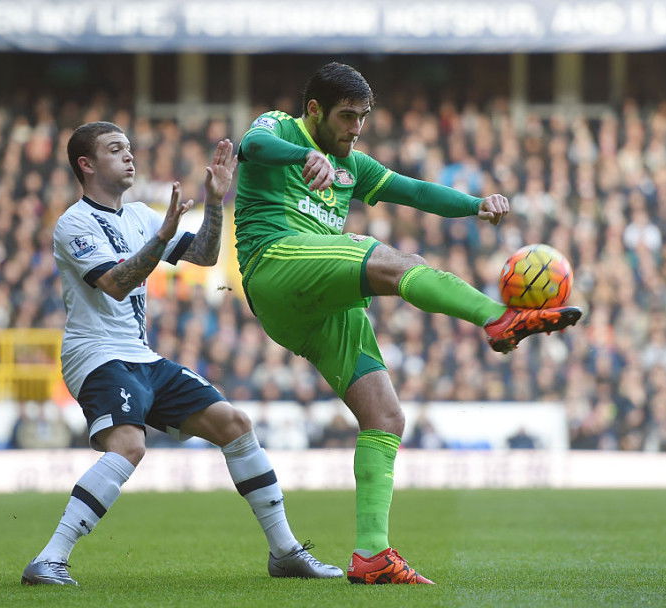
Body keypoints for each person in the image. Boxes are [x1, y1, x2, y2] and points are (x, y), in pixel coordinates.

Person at [234, 63, 582, 584]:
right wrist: (303, 153)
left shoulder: (353, 165)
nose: (356, 128)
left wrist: (475, 206)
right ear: (314, 111)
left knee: (385, 416)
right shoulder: (280, 128)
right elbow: (249, 149)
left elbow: (415, 192)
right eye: (347, 117)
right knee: (398, 262)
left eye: (363, 118)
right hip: (276, 262)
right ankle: (498, 319)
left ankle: (371, 555)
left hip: (316, 308)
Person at [21, 121, 341, 586]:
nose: (129, 156)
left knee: (235, 425)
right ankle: (49, 559)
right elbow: (114, 284)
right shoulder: (75, 223)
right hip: (95, 355)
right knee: (129, 446)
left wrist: (215, 203)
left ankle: (285, 552)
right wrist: (161, 235)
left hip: (140, 356)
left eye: (129, 148)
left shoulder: (142, 216)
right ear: (86, 165)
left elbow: (206, 257)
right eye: (115, 150)